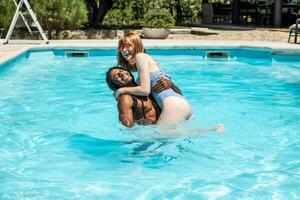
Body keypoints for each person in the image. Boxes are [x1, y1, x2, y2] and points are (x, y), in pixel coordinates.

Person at [106, 67, 226, 135]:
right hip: (149, 133)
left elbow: (178, 94)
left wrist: (170, 84)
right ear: (115, 84)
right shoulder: (125, 98)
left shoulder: (143, 87)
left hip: (162, 125)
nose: (121, 74)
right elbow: (127, 127)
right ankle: (210, 130)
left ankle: (211, 130)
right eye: (117, 76)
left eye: (121, 71)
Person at [113, 32, 192, 125]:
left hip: (172, 105)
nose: (125, 50)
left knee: (158, 137)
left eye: (128, 46)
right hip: (179, 102)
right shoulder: (145, 65)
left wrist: (121, 90)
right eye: (121, 48)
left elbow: (145, 90)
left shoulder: (140, 56)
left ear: (137, 45)